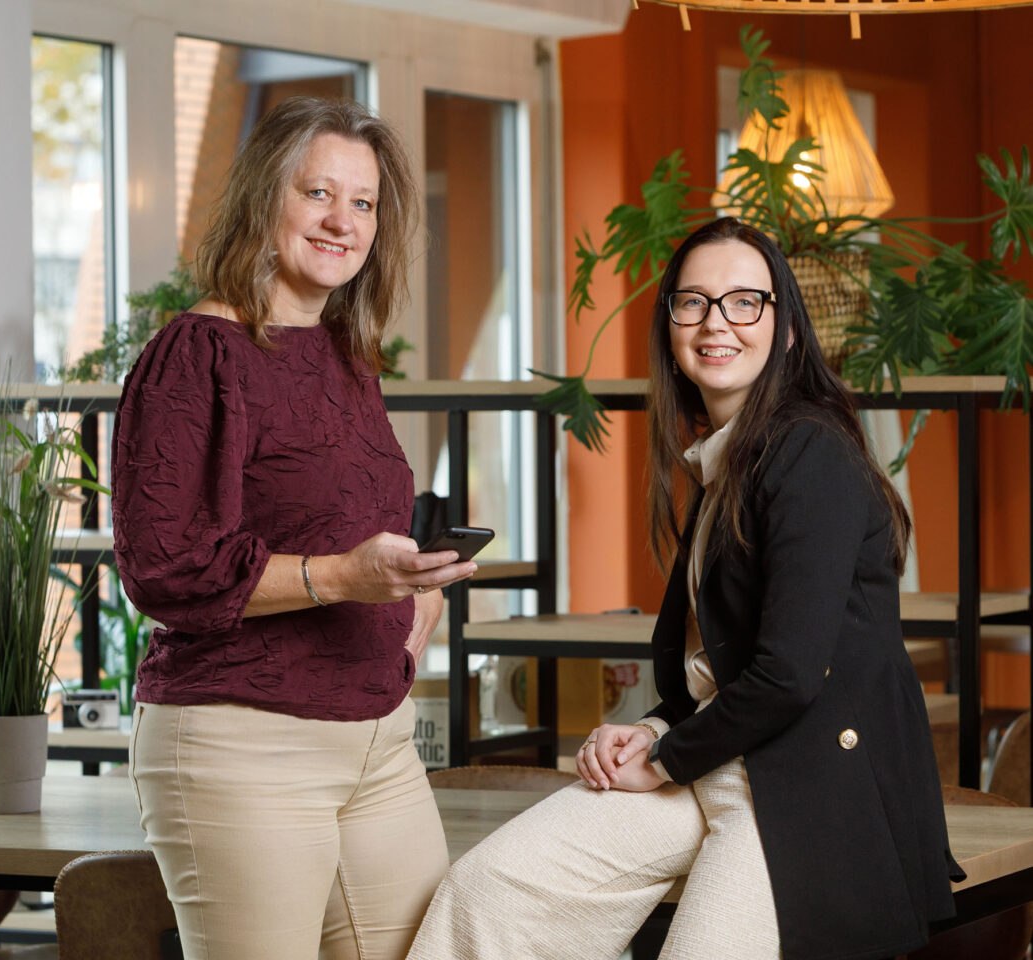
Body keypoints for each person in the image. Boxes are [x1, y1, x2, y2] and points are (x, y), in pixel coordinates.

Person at [406, 217, 963, 960]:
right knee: (489, 890)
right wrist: (653, 728)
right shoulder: (724, 461)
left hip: (803, 784)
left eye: (744, 302)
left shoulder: (809, 451)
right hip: (715, 757)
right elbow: (723, 664)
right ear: (670, 325)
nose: (715, 322)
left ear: (786, 330)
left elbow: (789, 674)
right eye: (693, 302)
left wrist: (665, 757)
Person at [111, 96, 478, 960]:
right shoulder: (195, 354)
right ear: (262, 198)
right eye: (318, 193)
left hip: (378, 739)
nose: (341, 221)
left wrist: (414, 607)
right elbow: (164, 566)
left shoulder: (347, 357)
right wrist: (346, 578)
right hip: (244, 743)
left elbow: (355, 527)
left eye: (363, 202)